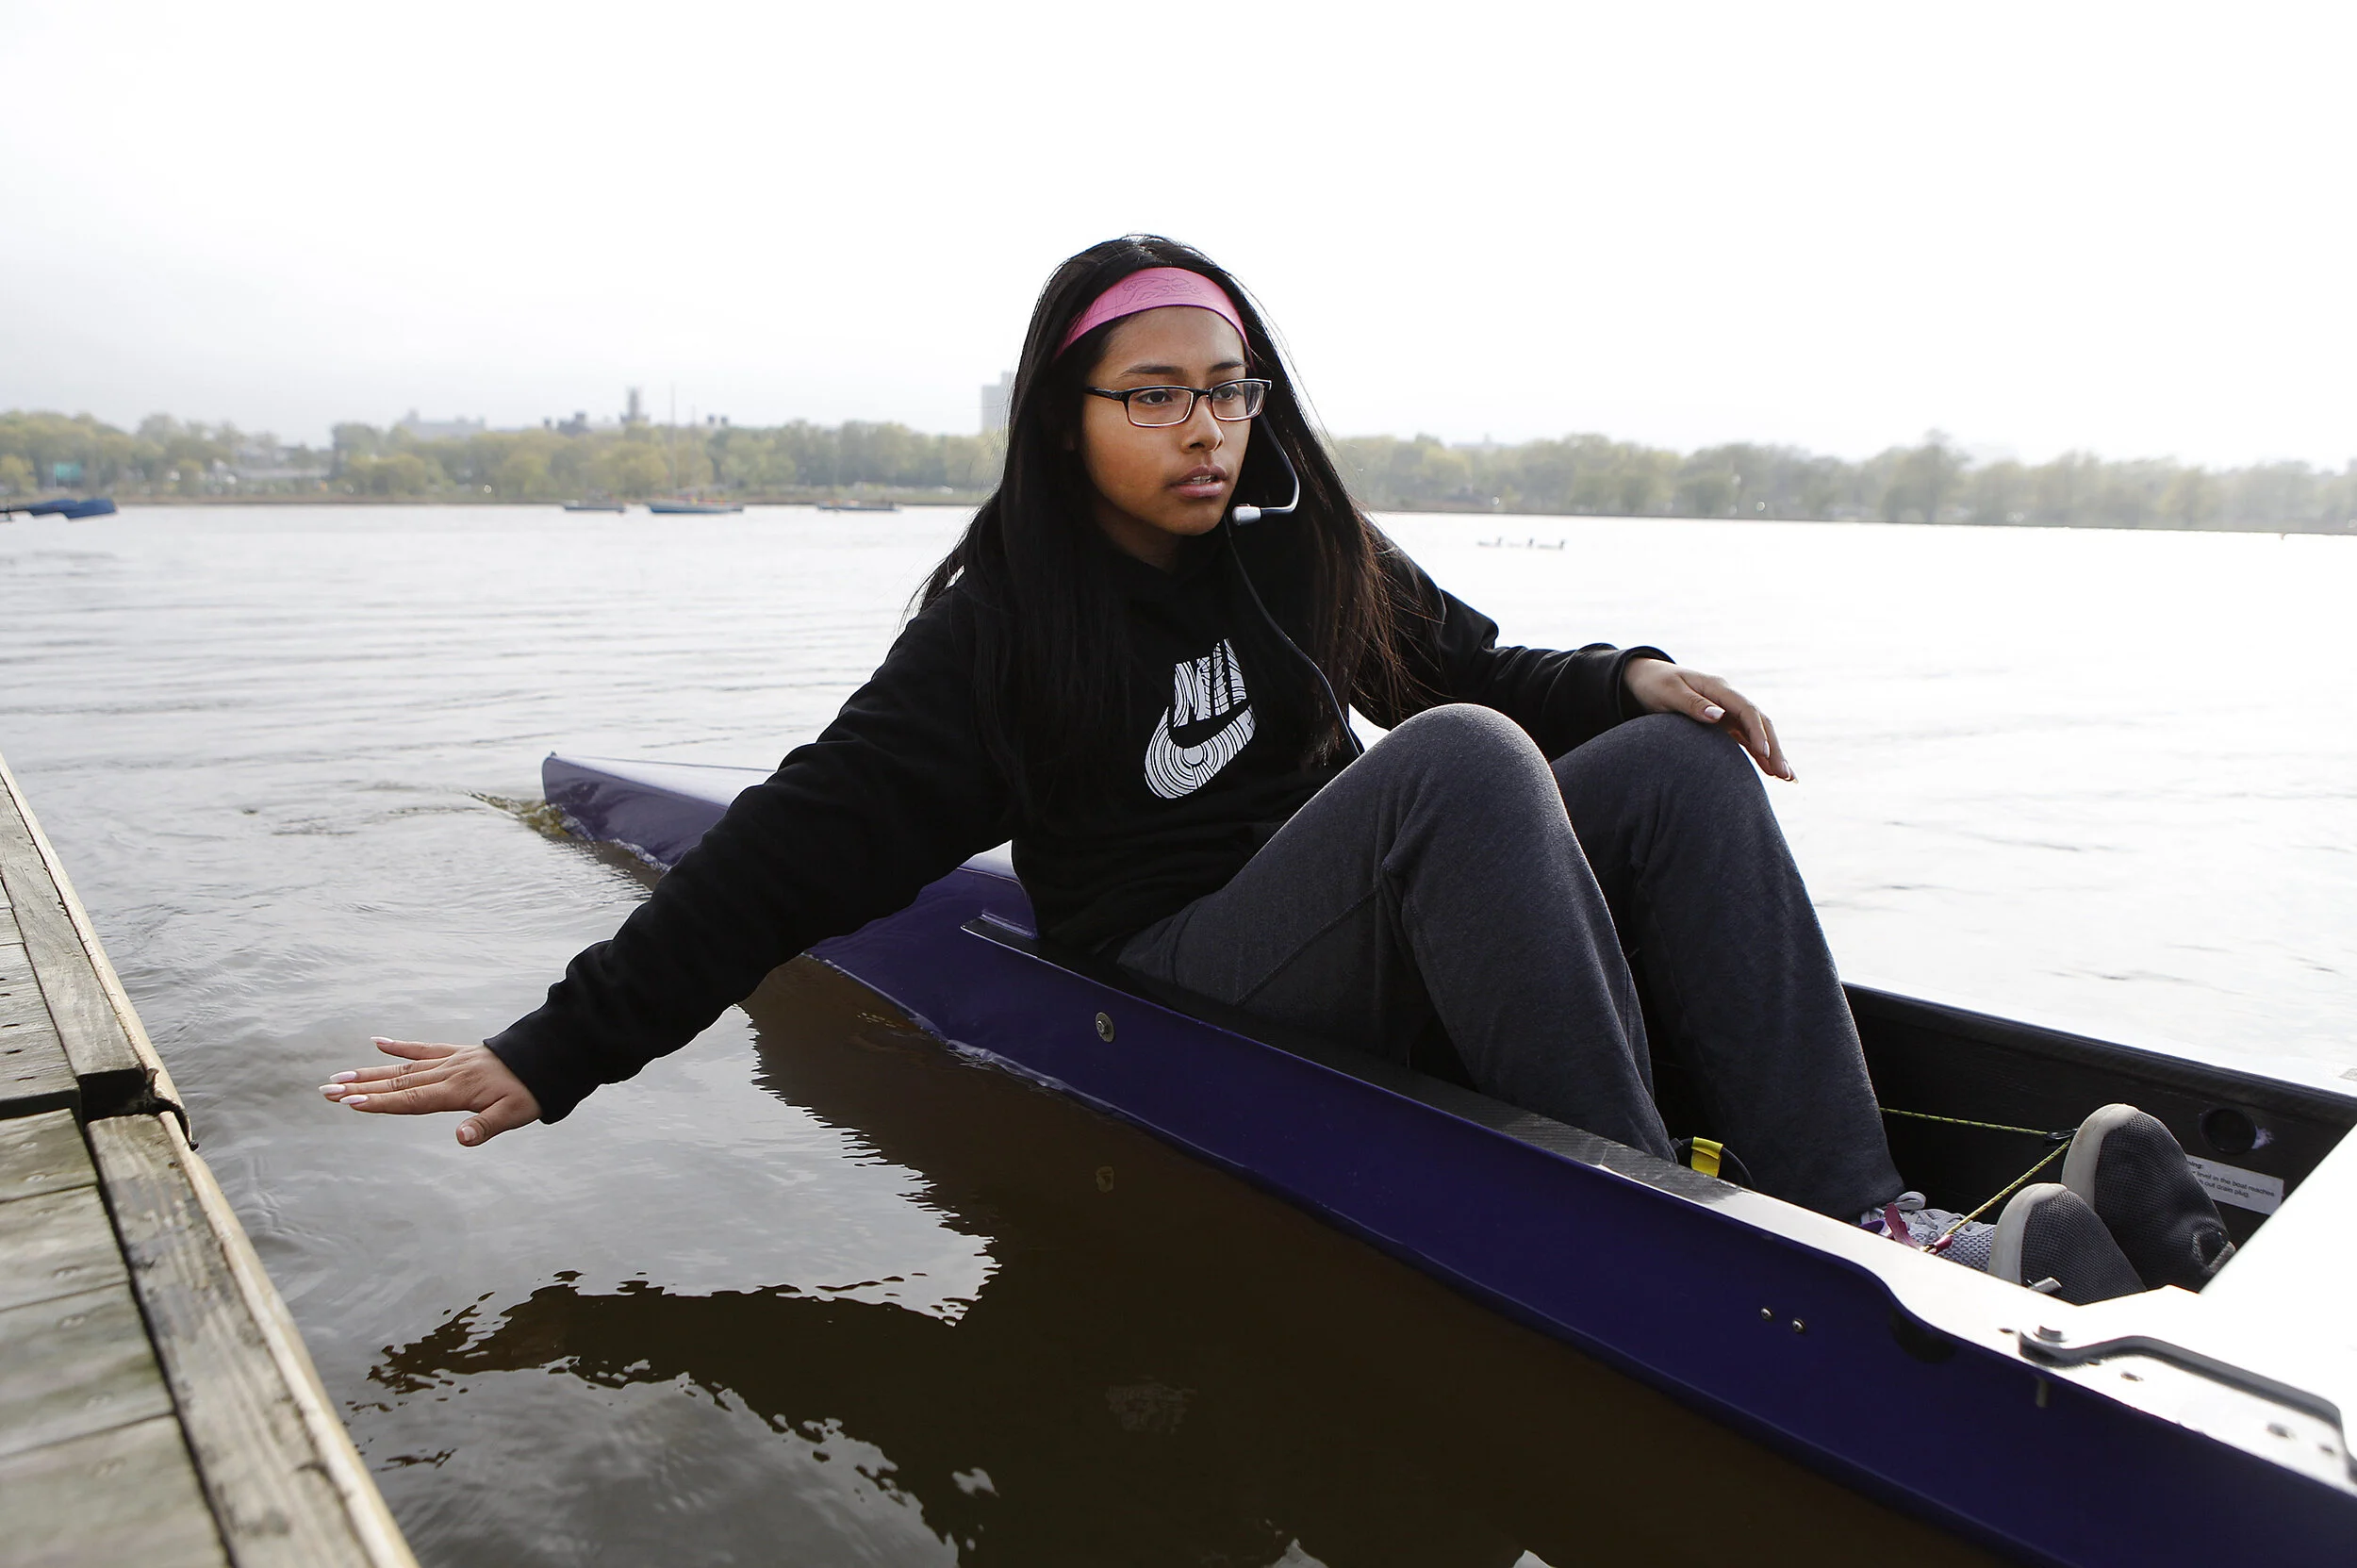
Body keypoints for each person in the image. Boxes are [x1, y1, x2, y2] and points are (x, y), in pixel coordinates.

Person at [324, 236, 2232, 1305]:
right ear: (1061, 418)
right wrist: (550, 1052)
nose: (1202, 428)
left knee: (1651, 758)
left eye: (1226, 388)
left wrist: (1641, 672)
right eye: (1150, 394)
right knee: (1468, 768)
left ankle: (1870, 1211)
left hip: (1371, 923)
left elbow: (1477, 668)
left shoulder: (1294, 540)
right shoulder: (997, 624)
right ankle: (1679, 1231)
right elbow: (788, 855)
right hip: (1175, 967)